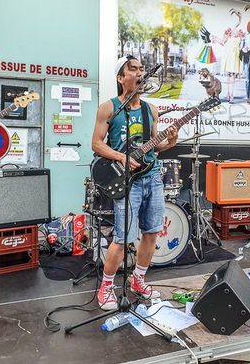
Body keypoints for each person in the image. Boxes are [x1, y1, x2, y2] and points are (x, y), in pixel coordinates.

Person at [92, 56, 178, 310]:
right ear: (121, 78)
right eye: (134, 69)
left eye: (142, 69)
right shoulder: (109, 108)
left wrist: (171, 141)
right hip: (127, 182)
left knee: (151, 232)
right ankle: (106, 287)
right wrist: (121, 156)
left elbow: (156, 145)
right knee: (123, 237)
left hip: (153, 177)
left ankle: (138, 280)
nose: (140, 73)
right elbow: (97, 144)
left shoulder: (150, 110)